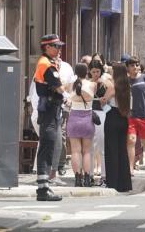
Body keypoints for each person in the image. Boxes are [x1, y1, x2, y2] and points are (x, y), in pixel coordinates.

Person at [33, 34, 67, 201]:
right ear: (47, 47)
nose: (59, 49)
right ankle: (43, 189)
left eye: (59, 46)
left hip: (51, 110)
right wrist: (67, 96)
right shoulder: (46, 64)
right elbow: (58, 87)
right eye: (56, 46)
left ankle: (44, 187)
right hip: (49, 110)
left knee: (48, 147)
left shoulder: (48, 63)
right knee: (47, 146)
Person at [101, 63, 132, 192]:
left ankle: (113, 182)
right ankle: (124, 183)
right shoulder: (127, 87)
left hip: (112, 116)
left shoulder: (112, 87)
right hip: (123, 118)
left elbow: (103, 101)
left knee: (111, 150)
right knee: (122, 151)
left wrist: (105, 106)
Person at [67, 63, 97, 187]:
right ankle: (86, 177)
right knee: (87, 152)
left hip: (73, 117)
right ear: (87, 72)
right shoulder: (92, 85)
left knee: (75, 151)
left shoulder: (71, 86)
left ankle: (77, 178)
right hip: (87, 118)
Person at [90, 60, 112, 184]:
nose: (95, 74)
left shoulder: (105, 82)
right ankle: (90, 174)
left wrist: (105, 98)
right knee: (91, 146)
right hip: (89, 113)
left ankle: (104, 175)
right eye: (93, 72)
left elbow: (112, 90)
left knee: (101, 144)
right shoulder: (88, 82)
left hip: (102, 113)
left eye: (97, 71)